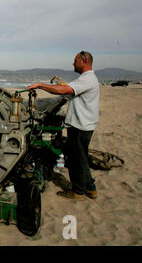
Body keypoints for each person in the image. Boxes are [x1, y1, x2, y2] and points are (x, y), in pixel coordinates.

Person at [28, 51, 99, 201]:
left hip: (81, 126)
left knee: (76, 160)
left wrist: (40, 85)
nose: (73, 63)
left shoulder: (87, 79)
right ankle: (91, 188)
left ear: (84, 61)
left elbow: (65, 90)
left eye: (75, 60)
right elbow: (68, 90)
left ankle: (78, 192)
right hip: (82, 125)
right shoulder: (86, 79)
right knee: (81, 158)